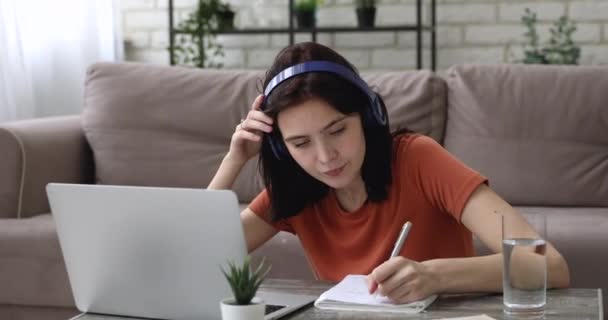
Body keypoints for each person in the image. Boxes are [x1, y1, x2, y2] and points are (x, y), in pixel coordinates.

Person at [208, 42, 570, 304]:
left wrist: (434, 276)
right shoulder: (297, 185)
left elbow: (548, 265)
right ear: (281, 147)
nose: (325, 158)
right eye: (300, 143)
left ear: (368, 118)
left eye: (337, 131)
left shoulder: (417, 158)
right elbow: (200, 256)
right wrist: (233, 160)